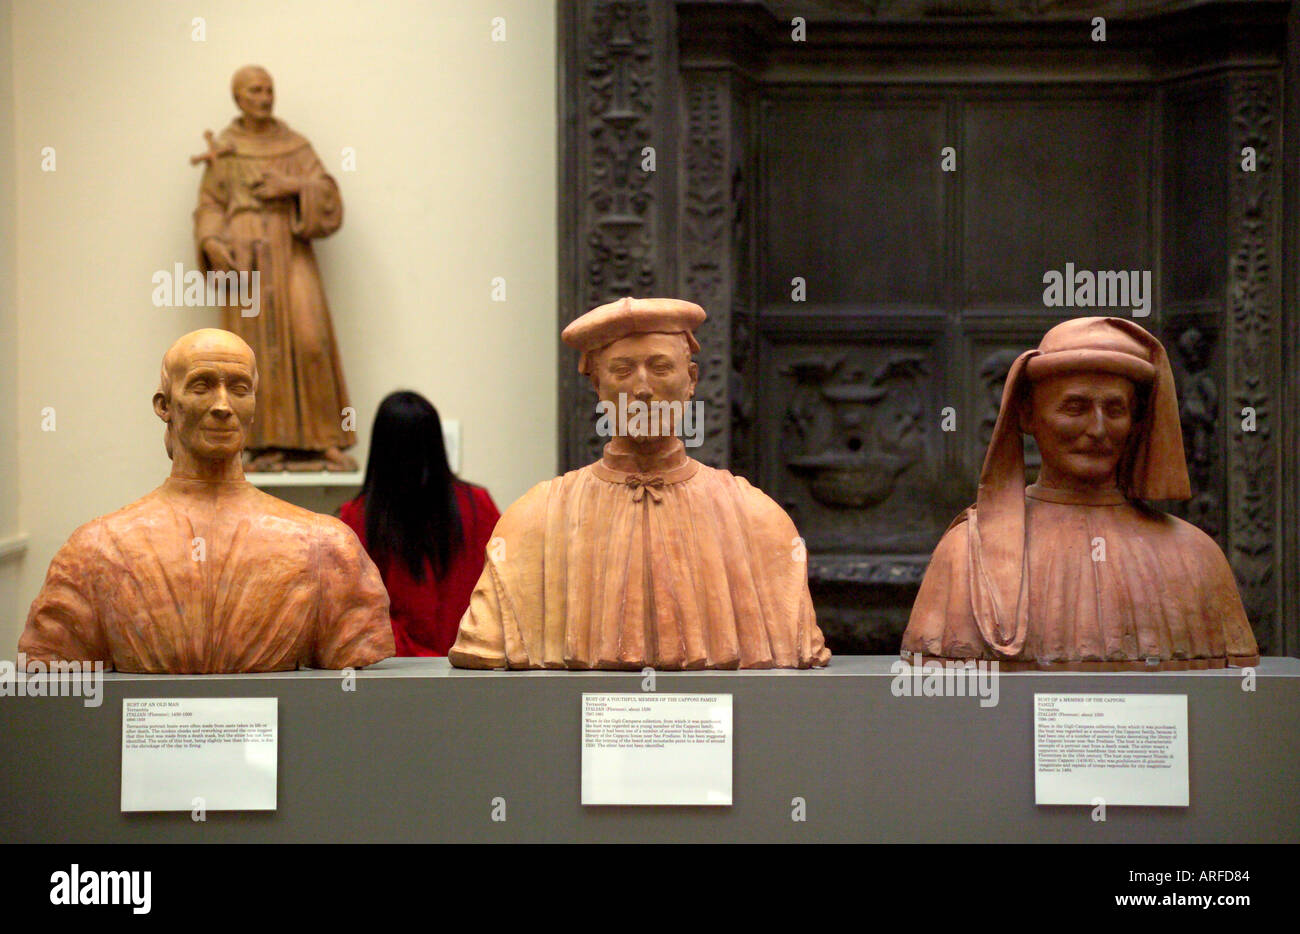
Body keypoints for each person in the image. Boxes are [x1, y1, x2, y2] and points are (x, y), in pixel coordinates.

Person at [449, 297, 830, 670]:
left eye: (661, 367)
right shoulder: (534, 521)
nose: (643, 388)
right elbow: (484, 646)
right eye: (622, 369)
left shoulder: (758, 521)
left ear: (691, 380)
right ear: (598, 386)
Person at [19, 329, 394, 673]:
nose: (222, 405)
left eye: (239, 388)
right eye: (201, 386)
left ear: (254, 405)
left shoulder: (326, 547)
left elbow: (356, 650)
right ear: (164, 405)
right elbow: (53, 666)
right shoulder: (96, 551)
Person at [902, 316, 1259, 670]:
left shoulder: (1197, 558)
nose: (1098, 429)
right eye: (1075, 407)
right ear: (1027, 415)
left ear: (1136, 422)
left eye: (1115, 409)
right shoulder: (964, 554)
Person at [193, 65, 355, 472]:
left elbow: (328, 194)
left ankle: (325, 440)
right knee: (257, 349)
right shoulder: (225, 150)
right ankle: (264, 441)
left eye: (269, 89)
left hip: (290, 247)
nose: (265, 97)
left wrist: (295, 187)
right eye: (255, 91)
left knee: (310, 338)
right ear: (238, 98)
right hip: (245, 256)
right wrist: (211, 241)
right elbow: (210, 204)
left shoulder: (295, 147)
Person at [340, 392, 500, 656]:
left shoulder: (357, 518)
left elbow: (358, 615)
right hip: (473, 668)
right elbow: (503, 593)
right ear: (437, 444)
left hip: (395, 676)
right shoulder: (478, 505)